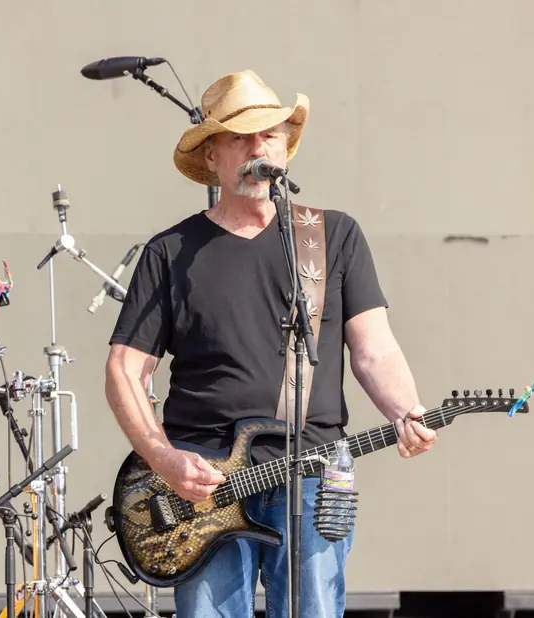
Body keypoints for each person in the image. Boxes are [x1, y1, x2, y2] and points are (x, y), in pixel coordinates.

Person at [104, 70, 436, 618]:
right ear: (212, 156)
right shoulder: (172, 251)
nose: (258, 147)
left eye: (271, 135)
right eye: (240, 137)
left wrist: (405, 408)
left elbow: (375, 348)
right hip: (204, 478)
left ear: (287, 148)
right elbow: (124, 369)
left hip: (313, 466)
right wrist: (164, 460)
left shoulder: (332, 236)